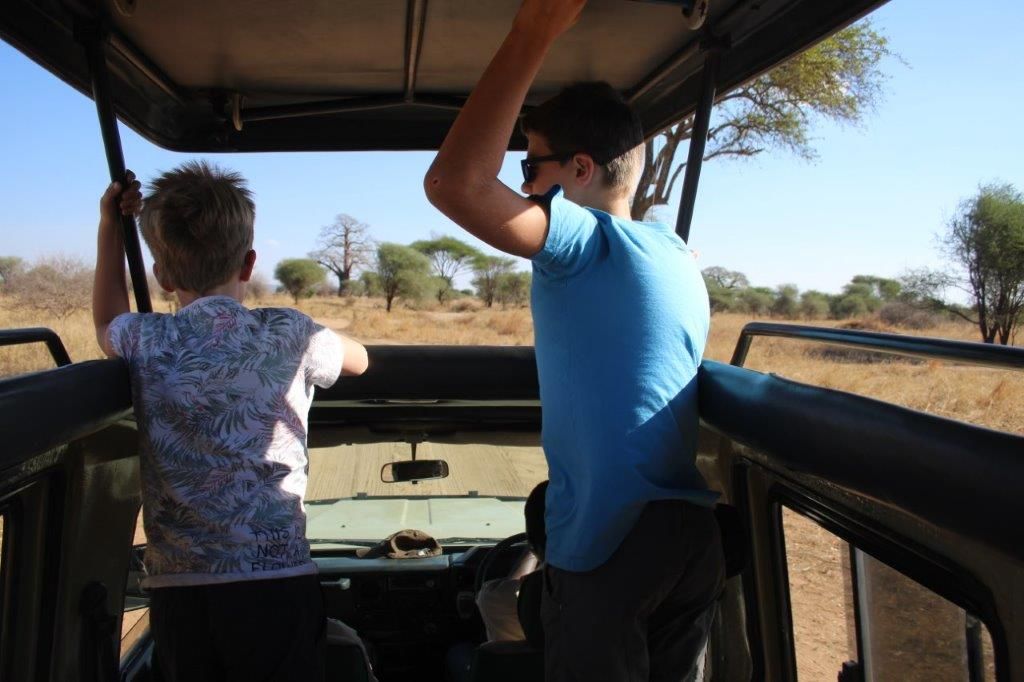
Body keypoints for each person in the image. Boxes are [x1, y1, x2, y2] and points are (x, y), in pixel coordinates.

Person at [423, 2, 725, 680]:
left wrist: (534, 30)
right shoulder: (674, 251)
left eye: (531, 169)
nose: (524, 187)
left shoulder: (584, 243)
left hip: (609, 544)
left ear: (580, 169)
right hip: (685, 534)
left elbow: (454, 184)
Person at [92, 161, 369, 682]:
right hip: (276, 581)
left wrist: (111, 224)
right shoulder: (290, 332)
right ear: (248, 264)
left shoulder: (146, 340)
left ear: (162, 277)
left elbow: (106, 320)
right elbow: (359, 361)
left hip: (180, 590)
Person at [476, 480, 548, 642]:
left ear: (536, 547)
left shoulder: (495, 600)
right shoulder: (610, 590)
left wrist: (530, 549)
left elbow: (508, 593)